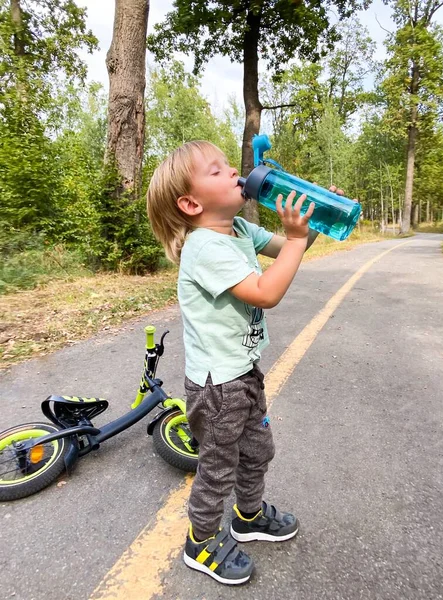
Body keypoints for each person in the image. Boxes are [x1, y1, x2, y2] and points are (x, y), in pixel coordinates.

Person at [146, 140, 337, 586]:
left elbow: (292, 249)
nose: (233, 170)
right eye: (216, 170)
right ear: (191, 203)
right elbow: (266, 291)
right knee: (218, 466)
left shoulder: (238, 231)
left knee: (257, 451)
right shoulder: (204, 248)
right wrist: (293, 238)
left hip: (244, 372)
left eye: (228, 163)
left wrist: (313, 221)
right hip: (216, 387)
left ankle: (248, 517)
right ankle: (201, 541)